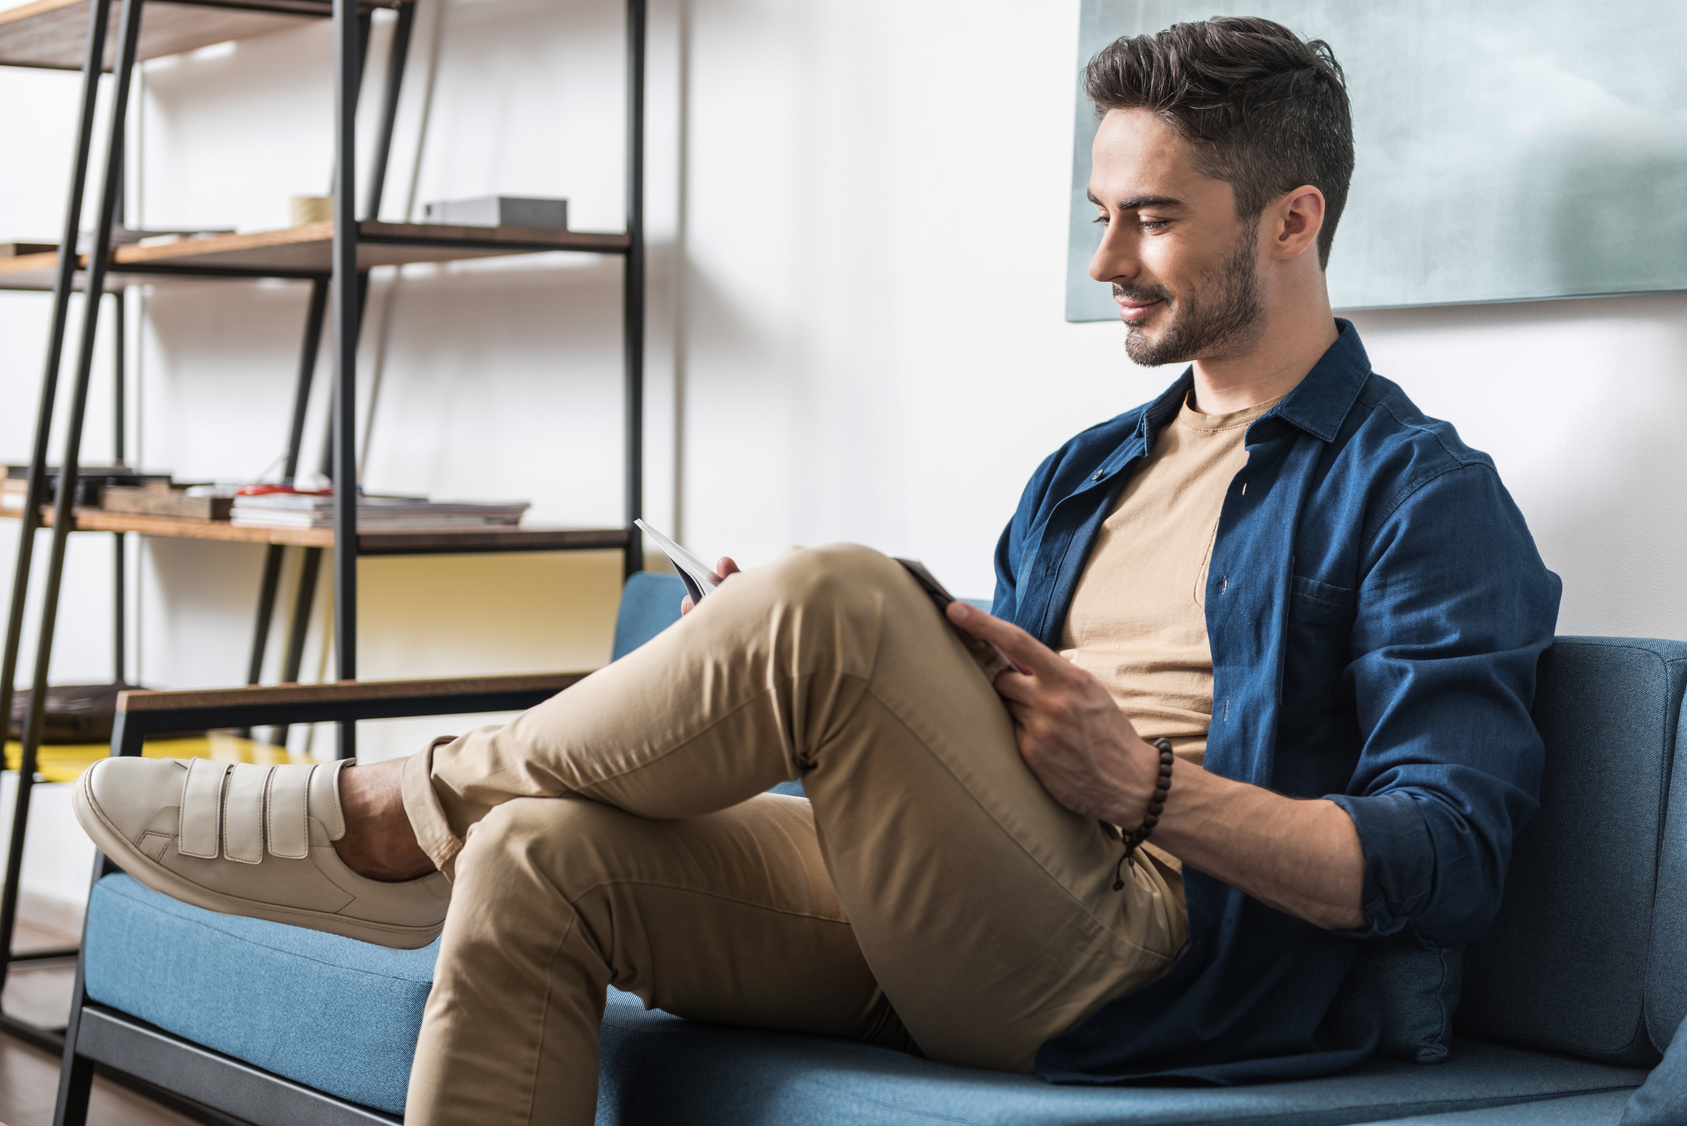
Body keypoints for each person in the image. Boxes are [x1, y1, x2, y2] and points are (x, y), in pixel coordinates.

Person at [72, 16, 1560, 1126]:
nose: (1109, 259)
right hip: (982, 905)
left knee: (841, 595)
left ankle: (390, 814)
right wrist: (753, 664)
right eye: (1100, 214)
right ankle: (458, 818)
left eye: (1154, 218)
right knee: (538, 855)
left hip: (1149, 961)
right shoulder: (1092, 468)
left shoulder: (1421, 495)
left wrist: (1148, 786)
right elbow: (991, 760)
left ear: (1294, 220)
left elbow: (1449, 858)